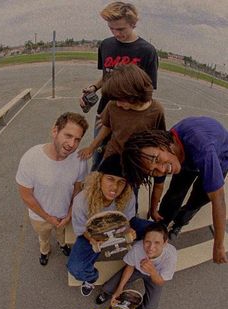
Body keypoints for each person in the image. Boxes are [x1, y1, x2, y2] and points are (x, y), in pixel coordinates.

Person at [122, 116, 228, 264]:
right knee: (174, 194)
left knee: (197, 200)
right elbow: (158, 182)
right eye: (153, 172)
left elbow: (219, 201)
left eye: (156, 159)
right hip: (186, 159)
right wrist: (154, 210)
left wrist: (218, 245)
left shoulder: (202, 148)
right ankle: (162, 226)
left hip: (218, 157)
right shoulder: (169, 151)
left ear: (162, 143)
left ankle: (180, 222)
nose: (161, 169)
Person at [79, 1, 158, 170]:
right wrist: (93, 88)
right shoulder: (106, 45)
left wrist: (131, 112)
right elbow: (106, 76)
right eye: (111, 29)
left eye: (121, 29)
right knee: (98, 158)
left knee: (126, 162)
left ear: (133, 23)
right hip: (104, 114)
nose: (116, 33)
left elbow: (148, 92)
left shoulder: (147, 51)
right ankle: (96, 193)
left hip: (130, 118)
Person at [16, 112, 89, 266]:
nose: (72, 144)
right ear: (55, 131)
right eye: (68, 135)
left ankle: (62, 245)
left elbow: (78, 189)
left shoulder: (79, 160)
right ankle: (44, 251)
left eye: (77, 139)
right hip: (40, 217)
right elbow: (26, 196)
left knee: (61, 234)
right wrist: (48, 217)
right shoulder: (31, 159)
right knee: (43, 237)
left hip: (65, 215)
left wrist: (69, 213)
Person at [67, 154, 140, 297]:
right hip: (92, 235)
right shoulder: (81, 201)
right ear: (99, 178)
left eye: (121, 182)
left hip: (118, 228)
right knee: (75, 268)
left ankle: (146, 256)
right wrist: (93, 239)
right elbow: (81, 229)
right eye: (110, 179)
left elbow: (128, 220)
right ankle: (90, 279)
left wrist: (129, 230)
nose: (115, 187)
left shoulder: (128, 195)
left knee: (154, 230)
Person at [78, 64, 165, 161]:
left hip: (137, 161)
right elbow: (107, 127)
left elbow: (159, 138)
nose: (118, 104)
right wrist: (91, 147)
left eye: (121, 100)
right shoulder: (113, 104)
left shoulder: (156, 110)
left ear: (135, 94)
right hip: (112, 155)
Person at [96, 222, 177, 309]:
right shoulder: (137, 248)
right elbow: (130, 267)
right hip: (137, 269)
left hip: (155, 276)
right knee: (108, 287)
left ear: (165, 243)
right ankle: (108, 294)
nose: (151, 248)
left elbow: (161, 282)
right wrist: (119, 288)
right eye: (147, 242)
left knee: (150, 307)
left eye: (157, 243)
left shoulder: (171, 256)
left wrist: (152, 271)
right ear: (143, 240)